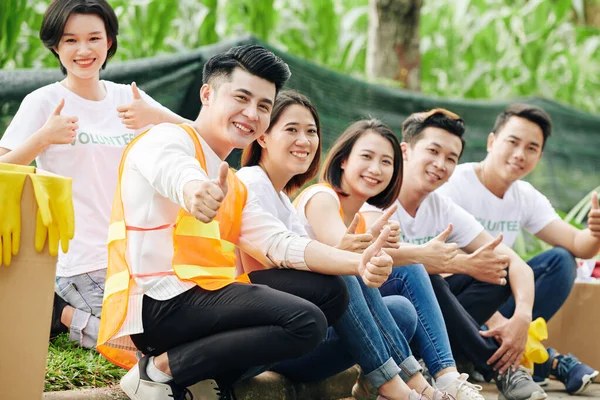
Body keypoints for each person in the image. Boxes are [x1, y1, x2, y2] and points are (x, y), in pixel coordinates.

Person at [99, 45, 395, 400]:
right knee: (307, 322)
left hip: (202, 296)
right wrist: (195, 192)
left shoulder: (235, 183)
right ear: (207, 94)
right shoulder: (166, 139)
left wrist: (357, 264)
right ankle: (158, 370)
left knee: (330, 293)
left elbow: (281, 244)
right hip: (158, 304)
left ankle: (205, 379)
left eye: (264, 106)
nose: (252, 113)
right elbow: (175, 171)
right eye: (242, 97)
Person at [0, 0, 187, 348]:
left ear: (109, 42)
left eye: (93, 38)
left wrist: (158, 116)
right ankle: (62, 312)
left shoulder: (127, 98)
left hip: (139, 254)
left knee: (182, 329)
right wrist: (43, 138)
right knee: (142, 345)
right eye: (70, 40)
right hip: (81, 258)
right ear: (55, 45)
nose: (83, 50)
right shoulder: (43, 102)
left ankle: (61, 313)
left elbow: (197, 139)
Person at [236, 91, 433, 400]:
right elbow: (273, 263)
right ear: (262, 136)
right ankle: (400, 386)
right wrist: (348, 257)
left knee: (403, 311)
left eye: (311, 131)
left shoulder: (282, 200)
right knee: (343, 273)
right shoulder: (251, 183)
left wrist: (350, 250)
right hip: (266, 337)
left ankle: (401, 381)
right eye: (292, 129)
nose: (304, 140)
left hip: (301, 332)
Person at [289, 117, 483, 400]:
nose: (375, 169)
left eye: (386, 162)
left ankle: (443, 376)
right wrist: (420, 253)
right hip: (303, 342)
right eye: (366, 157)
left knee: (403, 309)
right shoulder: (321, 197)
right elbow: (340, 254)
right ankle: (413, 385)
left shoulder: (367, 212)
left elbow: (380, 256)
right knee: (391, 268)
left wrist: (412, 254)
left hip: (344, 339)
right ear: (343, 160)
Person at [361, 108, 548, 400]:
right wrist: (461, 264)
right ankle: (499, 368)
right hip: (383, 309)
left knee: (496, 273)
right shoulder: (375, 190)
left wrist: (522, 317)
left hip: (433, 317)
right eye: (433, 151)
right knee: (425, 275)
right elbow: (376, 254)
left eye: (451, 158)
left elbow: (517, 265)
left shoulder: (441, 207)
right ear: (405, 151)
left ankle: (469, 361)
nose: (441, 164)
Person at [437, 103, 599, 395]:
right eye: (512, 142)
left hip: (498, 300)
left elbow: (578, 244)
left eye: (531, 148)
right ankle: (544, 361)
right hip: (455, 301)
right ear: (491, 141)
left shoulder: (524, 197)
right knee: (485, 270)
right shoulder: (454, 185)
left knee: (561, 261)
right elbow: (444, 267)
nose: (519, 154)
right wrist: (502, 324)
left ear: (539, 156)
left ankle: (501, 353)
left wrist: (595, 232)